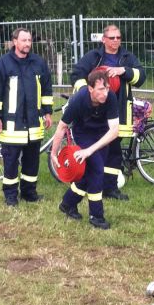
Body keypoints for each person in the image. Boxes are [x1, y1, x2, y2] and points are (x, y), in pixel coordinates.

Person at [70, 24, 145, 201]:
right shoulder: (94, 57)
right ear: (104, 40)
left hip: (117, 108)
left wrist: (123, 71)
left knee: (114, 151)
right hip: (95, 112)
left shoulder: (127, 57)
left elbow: (141, 76)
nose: (116, 41)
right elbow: (76, 75)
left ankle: (110, 188)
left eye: (118, 37)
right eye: (112, 38)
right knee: (97, 152)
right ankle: (89, 185)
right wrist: (87, 94)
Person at [0, 28, 53, 207]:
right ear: (15, 41)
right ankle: (10, 196)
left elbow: (46, 89)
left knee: (32, 161)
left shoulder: (39, 63)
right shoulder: (2, 64)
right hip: (11, 125)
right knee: (10, 163)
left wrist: (47, 112)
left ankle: (29, 193)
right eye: (24, 40)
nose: (27, 44)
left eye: (29, 40)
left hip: (34, 124)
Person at [50, 69, 120, 229]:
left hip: (103, 135)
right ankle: (96, 215)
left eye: (107, 88)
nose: (105, 92)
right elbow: (61, 127)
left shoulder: (111, 97)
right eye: (101, 89)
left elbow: (114, 130)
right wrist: (54, 153)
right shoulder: (78, 100)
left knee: (88, 174)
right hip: (83, 134)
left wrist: (90, 151)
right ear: (90, 89)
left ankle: (67, 203)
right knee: (97, 171)